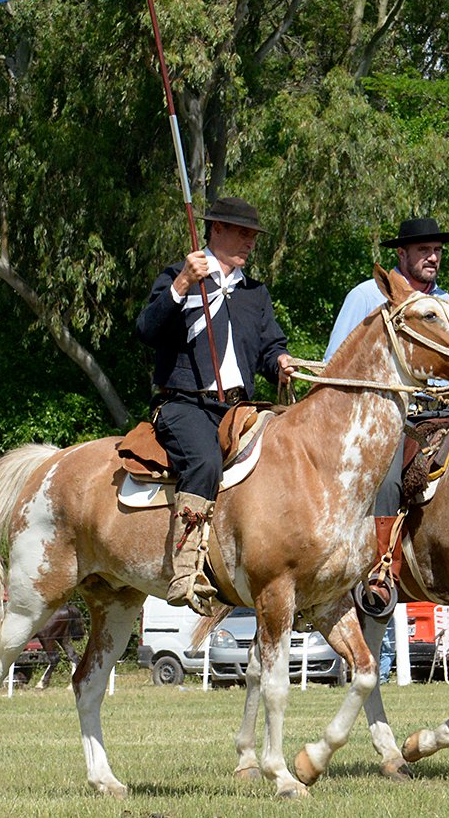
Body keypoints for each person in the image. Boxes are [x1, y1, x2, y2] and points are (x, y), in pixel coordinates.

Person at [136, 196, 295, 612]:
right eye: (243, 233)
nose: (250, 242)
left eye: (253, 236)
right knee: (205, 462)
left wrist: (281, 361)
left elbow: (269, 347)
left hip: (238, 410)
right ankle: (186, 569)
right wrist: (182, 284)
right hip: (184, 405)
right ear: (216, 229)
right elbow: (148, 330)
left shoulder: (255, 293)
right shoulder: (178, 276)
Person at [325, 217, 449, 678]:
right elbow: (336, 364)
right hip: (384, 418)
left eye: (437, 249)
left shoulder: (446, 304)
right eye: (423, 249)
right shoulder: (367, 297)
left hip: (443, 415)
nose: (433, 257)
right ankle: (380, 574)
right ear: (401, 255)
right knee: (386, 476)